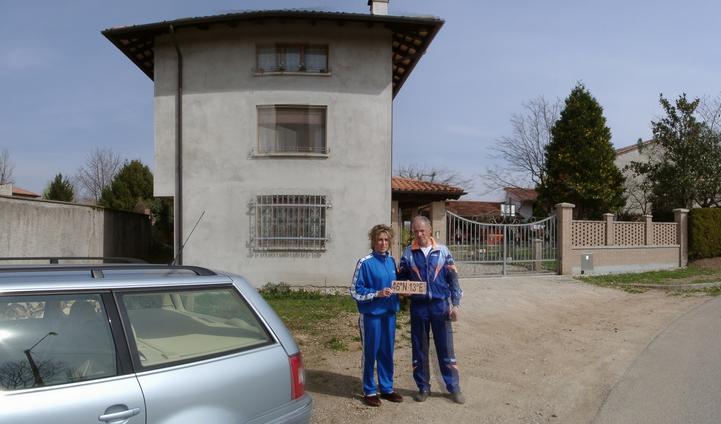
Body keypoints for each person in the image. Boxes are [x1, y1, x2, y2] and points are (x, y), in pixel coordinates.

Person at [398, 215, 464, 404]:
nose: (419, 234)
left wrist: (456, 304)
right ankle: (423, 387)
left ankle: (453, 388)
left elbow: (453, 280)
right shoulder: (408, 252)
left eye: (422, 230)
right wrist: (403, 291)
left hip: (440, 306)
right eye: (416, 231)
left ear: (429, 229)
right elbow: (401, 278)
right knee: (419, 349)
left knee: (445, 349)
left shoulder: (442, 251)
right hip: (419, 308)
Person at [350, 224, 404, 407]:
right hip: (371, 315)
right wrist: (376, 293)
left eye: (386, 240)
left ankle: (387, 388)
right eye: (379, 239)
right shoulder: (364, 262)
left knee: (387, 352)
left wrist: (404, 291)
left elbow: (396, 286)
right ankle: (369, 390)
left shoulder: (391, 262)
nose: (383, 243)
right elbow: (355, 291)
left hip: (389, 314)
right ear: (373, 241)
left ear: (390, 242)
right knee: (370, 352)